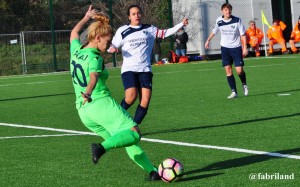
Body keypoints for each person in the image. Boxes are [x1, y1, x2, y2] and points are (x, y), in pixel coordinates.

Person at [70, 5, 161, 181]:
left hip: (83, 110)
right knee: (134, 133)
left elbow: (74, 33)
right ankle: (100, 148)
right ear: (97, 38)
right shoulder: (94, 57)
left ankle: (152, 171)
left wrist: (86, 17)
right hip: (100, 103)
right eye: (107, 40)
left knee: (125, 138)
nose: (110, 45)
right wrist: (88, 92)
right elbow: (94, 77)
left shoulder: (76, 50)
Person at [108, 5, 188, 124]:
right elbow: (112, 46)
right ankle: (114, 119)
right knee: (131, 97)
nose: (137, 16)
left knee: (145, 101)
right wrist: (113, 49)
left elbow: (165, 33)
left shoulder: (149, 29)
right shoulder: (122, 30)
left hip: (145, 69)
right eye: (133, 14)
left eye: (138, 13)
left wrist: (180, 24)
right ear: (129, 16)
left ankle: (133, 128)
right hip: (129, 69)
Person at [204, 3, 248, 99]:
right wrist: (208, 40)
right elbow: (215, 30)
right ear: (222, 11)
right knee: (228, 70)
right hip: (225, 48)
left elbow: (243, 34)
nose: (228, 12)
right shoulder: (219, 20)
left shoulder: (237, 20)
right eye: (226, 10)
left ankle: (244, 84)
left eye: (229, 10)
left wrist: (245, 47)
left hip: (236, 48)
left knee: (239, 71)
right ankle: (234, 92)